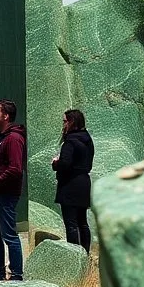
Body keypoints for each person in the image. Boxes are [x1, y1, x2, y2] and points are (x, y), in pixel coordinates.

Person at [0, 99, 26, 281]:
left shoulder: (14, 138)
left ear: (6, 116)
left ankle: (16, 275)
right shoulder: (0, 137)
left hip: (5, 193)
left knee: (9, 235)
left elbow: (15, 169)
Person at [51, 108, 94, 253]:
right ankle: (86, 254)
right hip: (84, 183)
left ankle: (75, 257)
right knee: (83, 222)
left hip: (70, 185)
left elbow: (65, 164)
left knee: (71, 224)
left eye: (64, 121)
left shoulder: (70, 142)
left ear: (72, 122)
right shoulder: (88, 139)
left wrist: (56, 163)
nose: (63, 125)